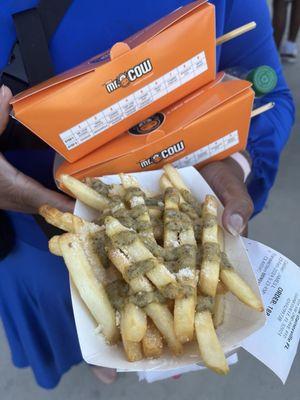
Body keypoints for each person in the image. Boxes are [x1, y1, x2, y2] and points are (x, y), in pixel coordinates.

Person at [0, 0, 295, 389]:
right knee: (77, 332)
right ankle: (94, 355)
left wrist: (237, 162)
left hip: (189, 216)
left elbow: (269, 94)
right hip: (37, 232)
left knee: (140, 337)